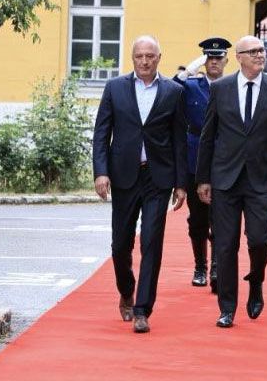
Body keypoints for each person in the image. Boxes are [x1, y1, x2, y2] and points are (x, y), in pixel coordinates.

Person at [91, 35, 188, 334]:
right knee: (120, 244)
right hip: (122, 176)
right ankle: (126, 290)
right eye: (139, 57)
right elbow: (101, 134)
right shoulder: (115, 88)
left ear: (159, 57)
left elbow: (179, 140)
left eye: (150, 56)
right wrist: (101, 172)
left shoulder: (174, 91)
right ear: (132, 59)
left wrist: (181, 183)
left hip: (158, 177)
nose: (144, 61)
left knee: (151, 242)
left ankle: (143, 308)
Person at [196, 35, 267, 328]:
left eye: (262, 50)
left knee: (260, 240)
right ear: (238, 57)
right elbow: (208, 135)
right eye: (253, 51)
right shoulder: (222, 89)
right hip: (224, 179)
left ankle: (256, 280)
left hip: (260, 180)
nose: (260, 55)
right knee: (225, 246)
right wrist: (203, 179)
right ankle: (227, 307)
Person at [174, 37, 231, 290]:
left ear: (227, 61)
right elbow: (169, 89)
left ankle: (218, 267)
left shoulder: (232, 86)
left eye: (218, 58)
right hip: (195, 157)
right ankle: (201, 266)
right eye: (209, 58)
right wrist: (188, 71)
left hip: (224, 158)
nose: (214, 62)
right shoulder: (192, 86)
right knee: (197, 219)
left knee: (222, 217)